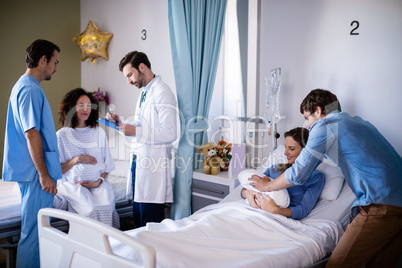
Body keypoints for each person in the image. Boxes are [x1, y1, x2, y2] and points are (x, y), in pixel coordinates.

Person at [250, 89, 402, 267]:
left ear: (318, 110)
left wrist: (266, 187)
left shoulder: (327, 125)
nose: (307, 126)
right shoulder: (359, 123)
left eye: (307, 118)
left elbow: (299, 173)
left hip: (380, 205)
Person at [2, 39, 62, 268]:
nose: (56, 68)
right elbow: (32, 134)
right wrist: (44, 174)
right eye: (55, 62)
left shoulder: (25, 86)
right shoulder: (29, 89)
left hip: (31, 173)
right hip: (36, 175)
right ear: (43, 60)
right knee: (34, 234)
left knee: (36, 232)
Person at [106, 51, 178, 227]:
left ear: (142, 67)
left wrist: (136, 131)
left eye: (130, 75)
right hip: (138, 165)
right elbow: (141, 124)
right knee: (138, 224)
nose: (129, 80)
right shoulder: (144, 93)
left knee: (150, 227)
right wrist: (121, 122)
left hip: (152, 168)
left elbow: (170, 132)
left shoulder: (162, 92)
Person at [54, 88, 119, 228]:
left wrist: (98, 182)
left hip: (98, 184)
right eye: (81, 105)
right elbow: (56, 170)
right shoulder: (61, 136)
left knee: (107, 207)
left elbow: (107, 165)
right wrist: (77, 159)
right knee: (89, 210)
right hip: (73, 185)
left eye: (89, 105)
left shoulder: (99, 133)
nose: (86, 109)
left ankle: (107, 245)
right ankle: (88, 247)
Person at [242, 127, 325, 219]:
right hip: (251, 211)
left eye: (291, 149)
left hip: (276, 217)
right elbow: (246, 187)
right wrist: (248, 194)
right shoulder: (275, 168)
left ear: (305, 151)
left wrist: (275, 210)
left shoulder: (314, 176)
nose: (285, 153)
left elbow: (303, 210)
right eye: (285, 147)